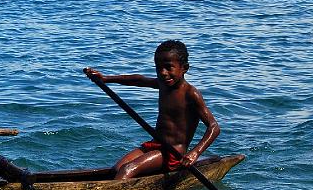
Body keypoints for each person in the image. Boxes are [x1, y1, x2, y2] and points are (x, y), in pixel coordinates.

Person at [84, 40, 220, 180]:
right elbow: (139, 80)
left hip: (173, 153)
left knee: (127, 169)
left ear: (184, 68)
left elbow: (214, 127)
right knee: (116, 169)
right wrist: (106, 79)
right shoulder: (163, 85)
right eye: (158, 68)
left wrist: (195, 153)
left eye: (168, 67)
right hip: (154, 145)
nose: (163, 73)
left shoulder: (191, 94)